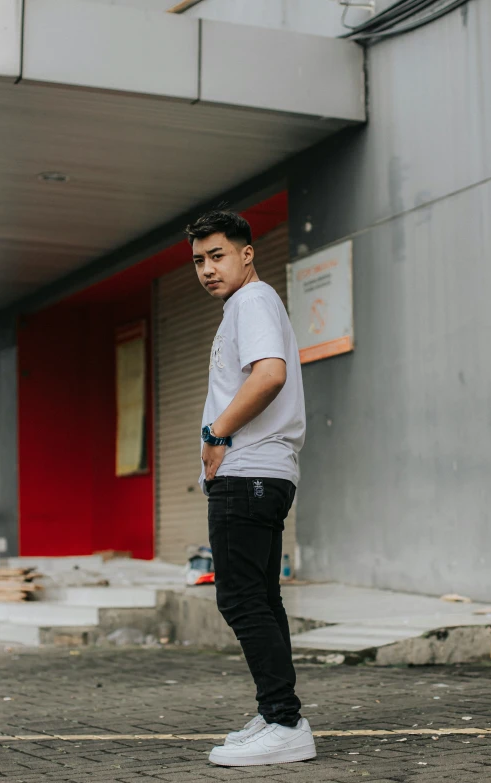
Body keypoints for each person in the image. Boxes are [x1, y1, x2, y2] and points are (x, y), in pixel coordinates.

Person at [186, 210, 316, 767]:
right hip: (263, 473)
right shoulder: (246, 305)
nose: (208, 269)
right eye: (198, 261)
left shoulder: (253, 302)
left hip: (249, 474)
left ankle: (285, 723)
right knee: (260, 598)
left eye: (218, 255)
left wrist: (218, 432)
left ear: (247, 253)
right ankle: (278, 714)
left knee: (240, 598)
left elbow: (269, 374)